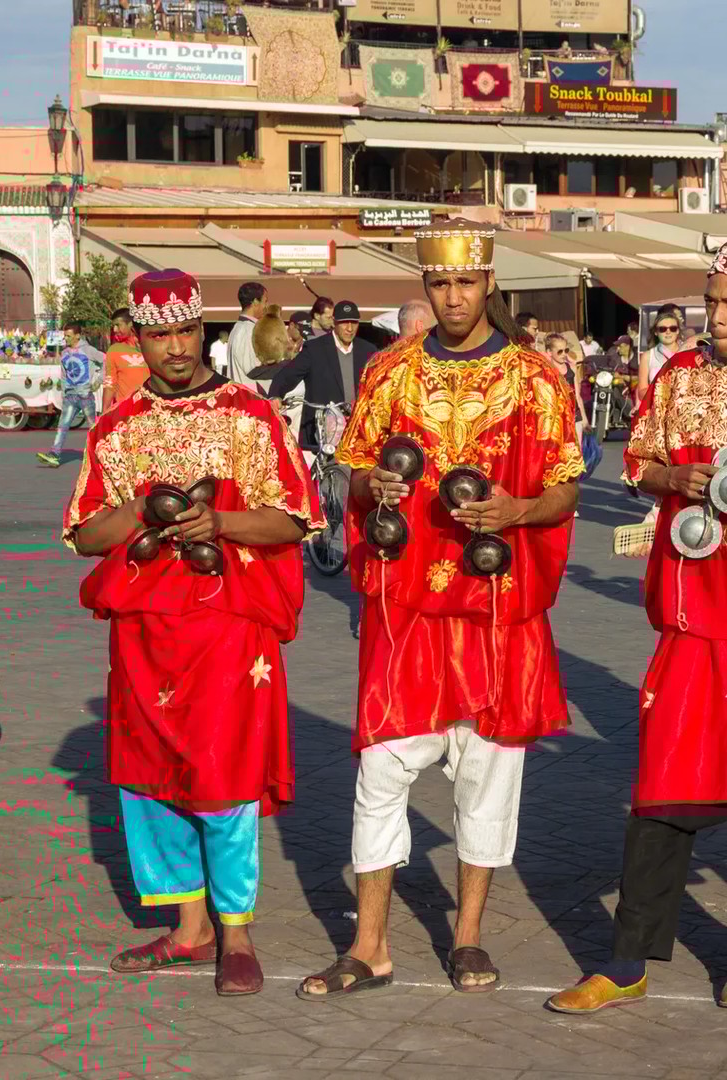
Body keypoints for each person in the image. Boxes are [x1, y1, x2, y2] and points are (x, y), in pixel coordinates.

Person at [298, 221, 581, 1001]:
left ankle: (467, 936)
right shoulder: (389, 370)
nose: (452, 297)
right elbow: (354, 475)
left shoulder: (536, 377)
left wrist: (518, 510)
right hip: (408, 614)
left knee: (487, 779)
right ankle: (370, 945)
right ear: (424, 286)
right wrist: (373, 491)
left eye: (465, 283)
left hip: (496, 611)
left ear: (488, 281)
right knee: (381, 772)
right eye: (438, 284)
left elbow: (565, 485)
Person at [62, 269, 323, 996]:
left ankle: (235, 932)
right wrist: (142, 510)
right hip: (144, 633)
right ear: (137, 337)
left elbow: (294, 519)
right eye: (157, 334)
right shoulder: (115, 428)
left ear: (202, 329)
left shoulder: (252, 415)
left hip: (228, 627)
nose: (174, 348)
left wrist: (221, 523)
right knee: (150, 781)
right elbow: (84, 535)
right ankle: (188, 927)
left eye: (184, 330)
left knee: (225, 772)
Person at [547, 243, 727, 1014]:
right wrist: (671, 477)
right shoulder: (682, 375)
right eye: (713, 301)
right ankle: (626, 961)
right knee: (664, 781)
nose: (716, 317)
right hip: (692, 612)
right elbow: (636, 463)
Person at [267, 300, 377, 455]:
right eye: (344, 323)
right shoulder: (315, 349)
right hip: (322, 430)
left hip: (358, 430)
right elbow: (286, 375)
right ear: (334, 322)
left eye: (354, 323)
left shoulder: (368, 350)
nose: (350, 328)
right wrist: (275, 395)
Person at [37, 322, 103, 468]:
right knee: (62, 426)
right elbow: (64, 374)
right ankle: (54, 454)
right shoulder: (65, 353)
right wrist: (64, 392)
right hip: (70, 396)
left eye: (68, 336)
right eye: (64, 335)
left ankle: (99, 455)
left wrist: (99, 380)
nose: (65, 338)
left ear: (78, 336)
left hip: (85, 395)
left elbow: (106, 361)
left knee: (92, 427)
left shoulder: (89, 350)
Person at [102, 308, 147, 413]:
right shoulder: (114, 350)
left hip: (149, 412)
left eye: (118, 325)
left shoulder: (150, 348)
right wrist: (104, 411)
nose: (115, 330)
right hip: (124, 413)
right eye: (114, 326)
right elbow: (110, 382)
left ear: (130, 324)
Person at [545, 332, 590, 436]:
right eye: (560, 351)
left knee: (577, 449)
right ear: (549, 352)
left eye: (566, 350)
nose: (564, 354)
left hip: (574, 413)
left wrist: (584, 418)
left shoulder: (572, 367)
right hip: (557, 415)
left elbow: (577, 395)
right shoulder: (547, 370)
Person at [637, 305, 683, 403]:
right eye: (662, 329)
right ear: (656, 332)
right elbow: (641, 392)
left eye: (673, 328)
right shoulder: (648, 356)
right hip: (657, 409)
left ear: (678, 330)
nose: (668, 332)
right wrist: (663, 391)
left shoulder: (688, 352)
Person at [226, 282, 268, 384]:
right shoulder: (248, 330)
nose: (267, 306)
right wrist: (284, 366)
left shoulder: (239, 328)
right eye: (265, 301)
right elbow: (252, 370)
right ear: (255, 302)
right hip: (251, 397)